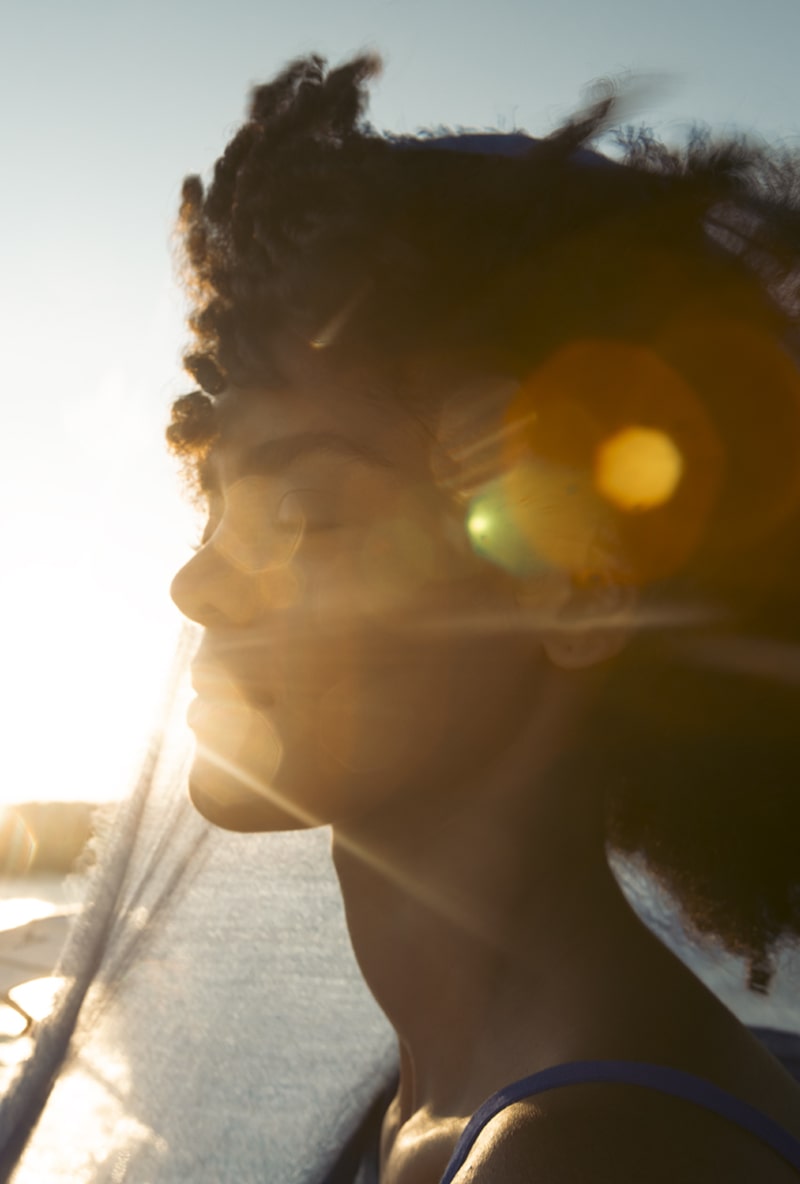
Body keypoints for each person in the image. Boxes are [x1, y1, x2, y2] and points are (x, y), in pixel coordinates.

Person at [167, 53, 800, 1182]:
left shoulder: (589, 1155)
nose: (198, 585)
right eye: (216, 504)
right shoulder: (427, 1097)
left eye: (301, 508)